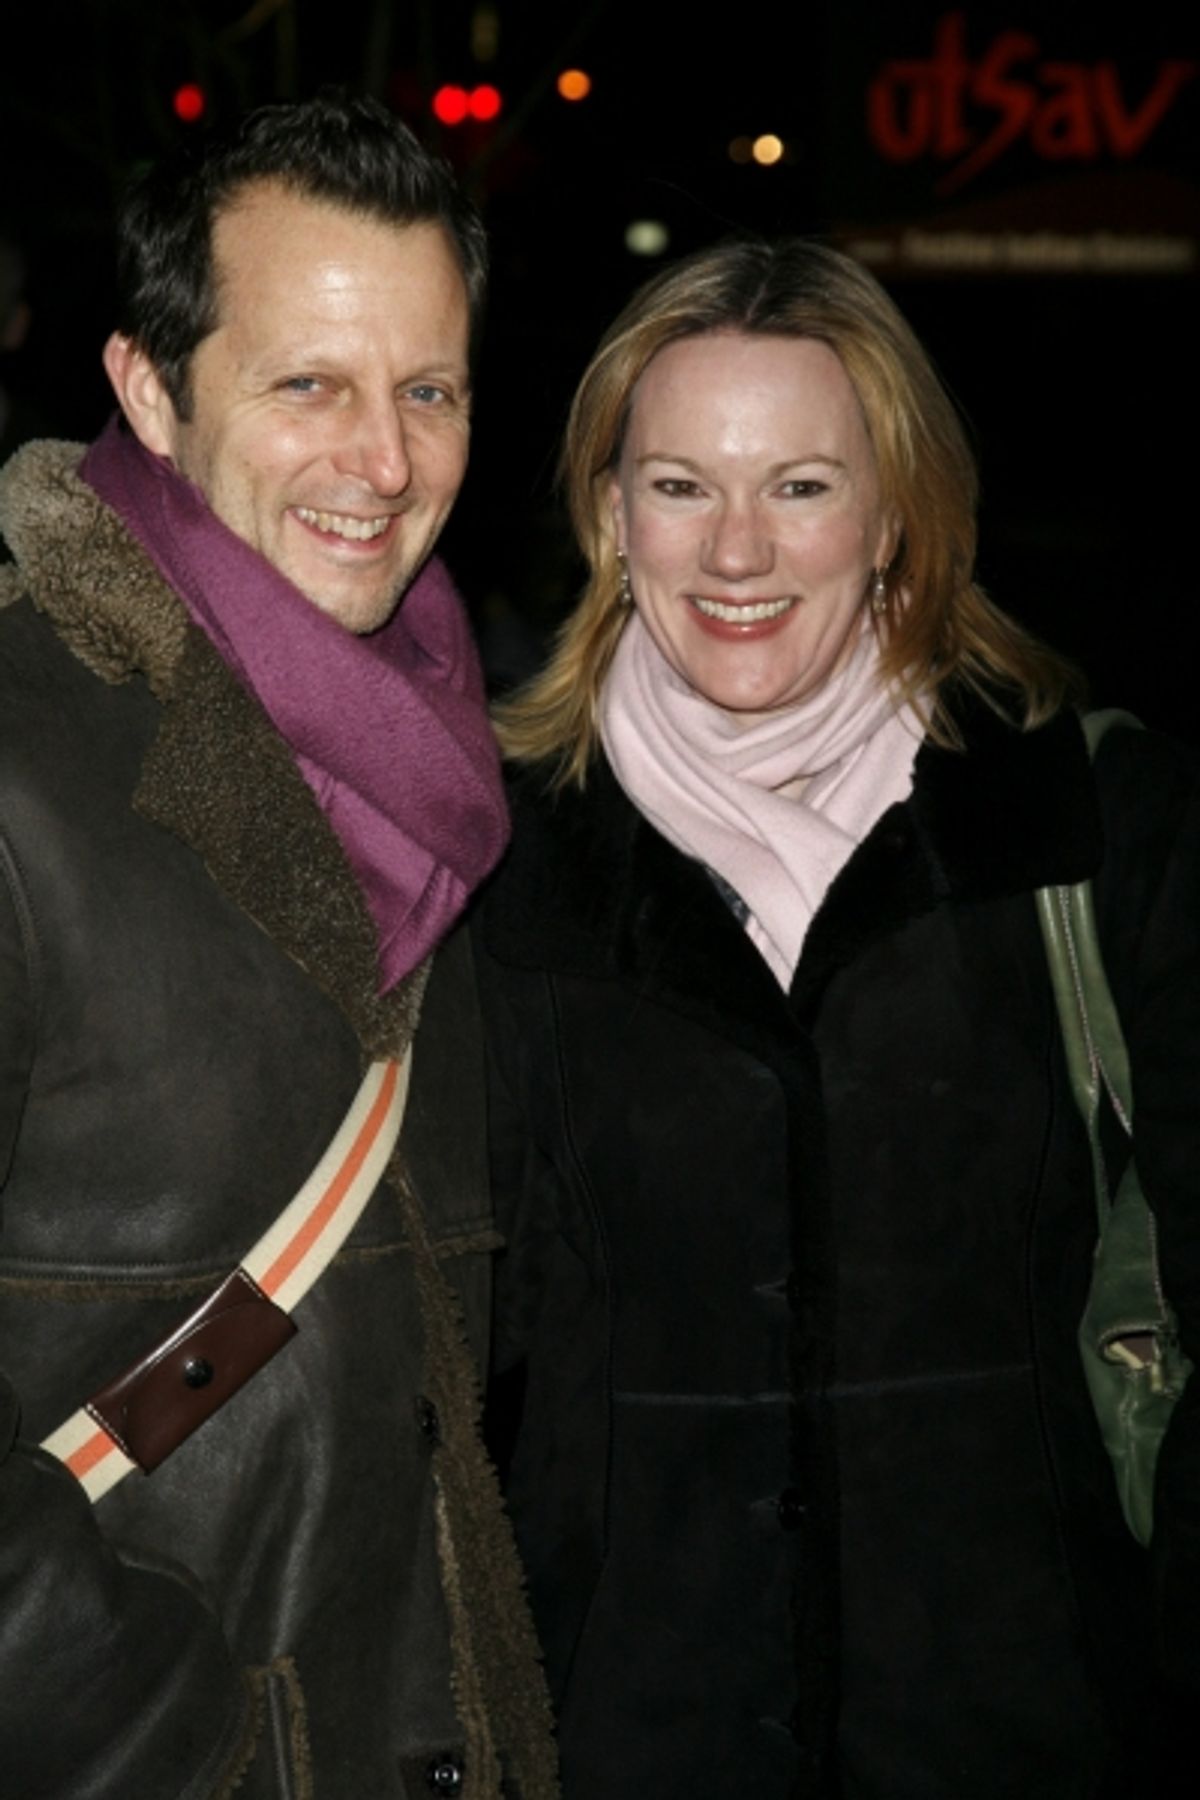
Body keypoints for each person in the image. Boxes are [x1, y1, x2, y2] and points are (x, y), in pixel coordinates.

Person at [472, 238, 1199, 1798]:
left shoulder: (1086, 824)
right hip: (619, 1745)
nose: (738, 551)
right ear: (610, 517)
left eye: (800, 486)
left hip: (1026, 1737)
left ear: (896, 521)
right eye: (681, 486)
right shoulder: (494, 868)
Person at [0, 95, 557, 1798]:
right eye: (307, 383)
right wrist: (166, 1726)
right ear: (149, 390)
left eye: (429, 390)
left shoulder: (457, 759)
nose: (383, 463)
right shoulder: (25, 762)